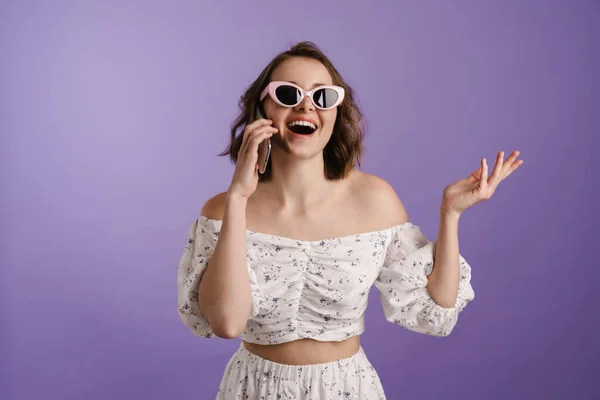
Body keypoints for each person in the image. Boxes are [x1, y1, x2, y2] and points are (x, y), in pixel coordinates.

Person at [177, 41, 523, 399]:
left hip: (346, 388)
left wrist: (450, 214)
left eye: (323, 96)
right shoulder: (222, 210)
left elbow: (434, 310)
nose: (306, 105)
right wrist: (238, 197)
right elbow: (226, 323)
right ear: (262, 108)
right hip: (253, 388)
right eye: (287, 93)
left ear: (336, 113)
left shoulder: (374, 199)